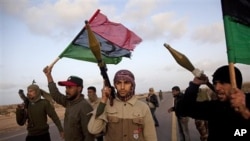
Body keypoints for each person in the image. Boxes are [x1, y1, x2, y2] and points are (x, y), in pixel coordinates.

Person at [180, 65, 250, 141]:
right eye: (215, 83)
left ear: (235, 83)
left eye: (222, 83)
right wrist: (194, 85)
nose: (217, 88)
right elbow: (184, 109)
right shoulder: (215, 107)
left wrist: (245, 112)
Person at [88, 69, 158, 141]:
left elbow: (150, 136)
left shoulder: (143, 107)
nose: (122, 87)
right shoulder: (107, 105)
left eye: (126, 83)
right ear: (115, 85)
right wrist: (103, 101)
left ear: (132, 85)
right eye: (118, 83)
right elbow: (93, 130)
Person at [43, 66, 95, 141]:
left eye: (70, 87)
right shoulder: (69, 101)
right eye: (66, 87)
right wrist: (48, 75)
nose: (67, 90)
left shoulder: (85, 107)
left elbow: (89, 136)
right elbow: (55, 94)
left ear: (79, 88)